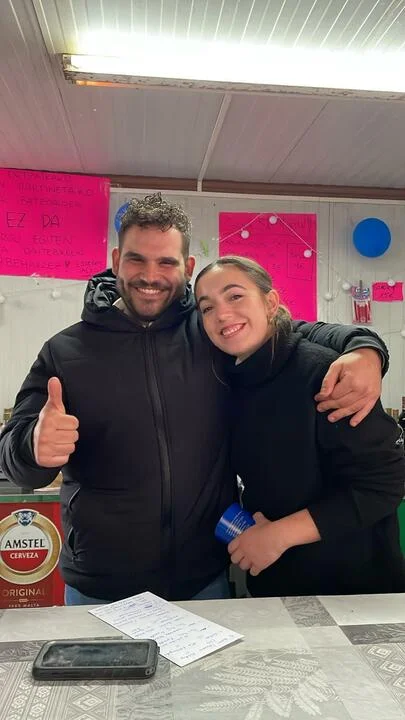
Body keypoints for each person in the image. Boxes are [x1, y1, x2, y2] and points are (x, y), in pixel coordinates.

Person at [0, 194, 390, 605]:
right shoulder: (64, 352)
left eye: (166, 262)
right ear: (116, 261)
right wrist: (33, 446)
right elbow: (13, 456)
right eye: (136, 259)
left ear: (187, 268)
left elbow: (287, 331)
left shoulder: (211, 331)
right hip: (98, 587)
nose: (150, 275)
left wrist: (364, 347)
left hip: (202, 583)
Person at [194, 255, 405, 596]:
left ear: (270, 303)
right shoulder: (229, 380)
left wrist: (279, 535)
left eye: (235, 296)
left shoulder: (324, 374)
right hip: (277, 585)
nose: (222, 314)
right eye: (207, 307)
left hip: (354, 591)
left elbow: (385, 483)